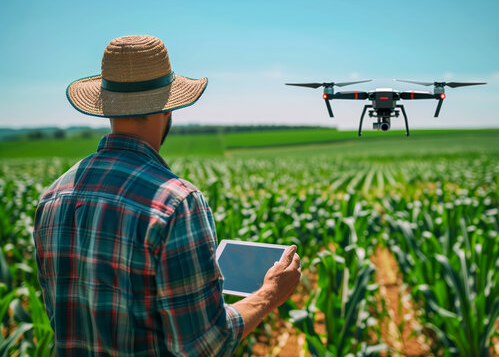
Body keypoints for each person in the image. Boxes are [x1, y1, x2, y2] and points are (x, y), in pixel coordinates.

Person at [33, 35, 301, 356]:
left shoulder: (53, 195)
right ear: (169, 107)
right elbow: (204, 344)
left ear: (108, 107)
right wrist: (270, 292)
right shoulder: (176, 202)